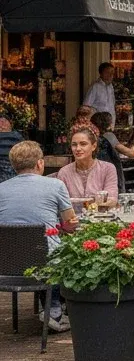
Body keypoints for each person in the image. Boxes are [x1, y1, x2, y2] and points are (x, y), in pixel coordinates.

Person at [0, 140, 78, 330]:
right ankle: (55, 310)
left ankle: (53, 308)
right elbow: (70, 224)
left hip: (6, 265)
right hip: (45, 263)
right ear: (40, 163)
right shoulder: (55, 185)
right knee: (66, 250)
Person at [57, 127, 119, 201]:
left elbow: (111, 199)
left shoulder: (107, 168)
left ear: (94, 146)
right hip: (73, 213)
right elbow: (61, 203)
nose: (78, 149)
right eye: (74, 145)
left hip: (101, 212)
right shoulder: (64, 172)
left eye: (83, 144)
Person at [0, 115, 24, 183]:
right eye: (0, 121)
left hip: (12, 165)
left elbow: (25, 152)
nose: (2, 123)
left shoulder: (18, 136)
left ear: (10, 124)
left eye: (4, 121)